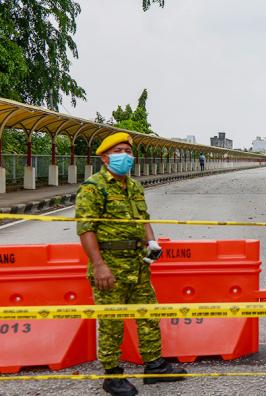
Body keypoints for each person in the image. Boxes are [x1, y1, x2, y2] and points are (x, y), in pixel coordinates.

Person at [75, 132, 186, 396]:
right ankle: (112, 375)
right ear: (104, 158)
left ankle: (154, 366)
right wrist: (99, 265)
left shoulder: (134, 186)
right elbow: (85, 229)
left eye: (128, 151)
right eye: (119, 151)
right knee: (112, 322)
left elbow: (143, 218)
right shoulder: (93, 187)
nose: (125, 156)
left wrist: (152, 242)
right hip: (110, 265)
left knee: (148, 314)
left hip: (138, 264)